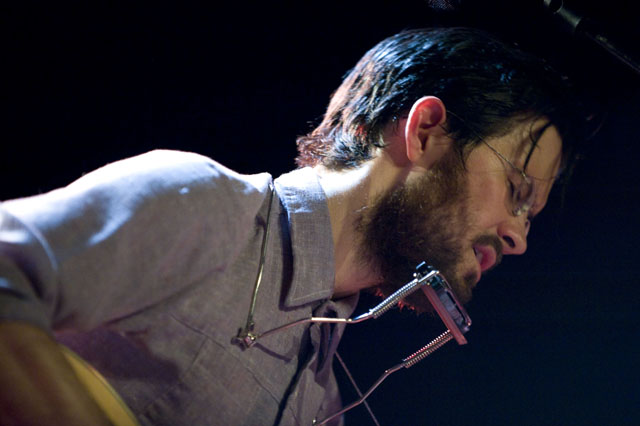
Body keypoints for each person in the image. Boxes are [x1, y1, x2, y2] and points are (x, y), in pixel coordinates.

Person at [0, 27, 585, 425]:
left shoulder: (322, 402)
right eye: (518, 194)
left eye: (529, 217)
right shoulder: (205, 207)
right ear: (427, 131)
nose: (519, 238)